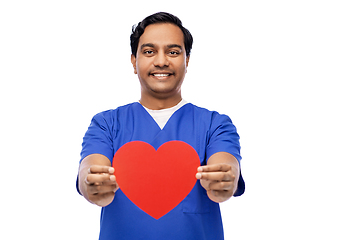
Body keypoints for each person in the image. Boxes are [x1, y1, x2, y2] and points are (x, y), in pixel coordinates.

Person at [77, 12, 245, 240]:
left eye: (173, 52)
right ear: (134, 62)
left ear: (187, 61)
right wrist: (92, 184)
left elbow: (226, 165)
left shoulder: (215, 125)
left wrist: (225, 180)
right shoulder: (106, 124)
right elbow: (89, 168)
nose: (161, 60)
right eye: (149, 51)